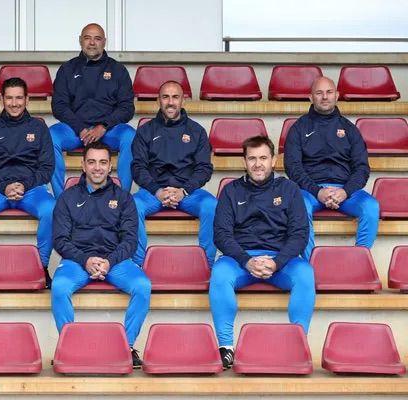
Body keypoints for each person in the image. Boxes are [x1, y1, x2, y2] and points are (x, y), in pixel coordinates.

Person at [209, 136, 315, 370]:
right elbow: (222, 234)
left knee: (306, 274)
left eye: (263, 158)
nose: (258, 164)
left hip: (280, 260)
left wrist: (277, 262)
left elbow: (299, 234)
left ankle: (298, 345)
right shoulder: (231, 191)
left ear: (274, 160)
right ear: (244, 162)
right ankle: (226, 347)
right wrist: (247, 261)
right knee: (219, 274)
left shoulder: (289, 189)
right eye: (252, 159)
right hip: (241, 259)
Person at [51, 141, 150, 368]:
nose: (97, 168)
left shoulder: (124, 198)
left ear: (111, 166)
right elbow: (60, 240)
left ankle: (127, 346)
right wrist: (85, 260)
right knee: (59, 286)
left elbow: (130, 240)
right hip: (78, 261)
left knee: (142, 286)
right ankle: (68, 347)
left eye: (103, 162)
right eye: (92, 162)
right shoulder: (67, 198)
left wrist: (109, 261)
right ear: (83, 165)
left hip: (114, 261)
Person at [0, 77, 55, 286]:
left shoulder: (39, 128)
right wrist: (4, 186)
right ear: (1, 100)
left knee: (51, 209)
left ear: (27, 100)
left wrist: (23, 185)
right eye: (9, 98)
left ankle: (41, 266)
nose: (14, 103)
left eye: (19, 98)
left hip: (32, 189)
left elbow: (46, 167)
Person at [284, 76, 379, 260]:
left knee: (371, 206)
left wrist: (345, 191)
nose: (324, 97)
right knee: (299, 205)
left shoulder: (350, 129)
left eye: (329, 92)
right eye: (319, 93)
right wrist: (317, 191)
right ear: (310, 97)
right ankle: (310, 263)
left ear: (337, 95)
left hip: (346, 191)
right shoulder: (298, 128)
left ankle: (360, 260)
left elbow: (362, 168)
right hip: (310, 191)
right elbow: (292, 167)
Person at [131, 80, 217, 267]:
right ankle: (137, 264)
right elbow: (138, 167)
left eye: (175, 97)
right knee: (133, 205)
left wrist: (183, 191)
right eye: (165, 97)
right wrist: (157, 190)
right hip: (153, 192)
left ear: (183, 100)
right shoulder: (145, 131)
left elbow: (204, 168)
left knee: (211, 205)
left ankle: (207, 265)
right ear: (158, 100)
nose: (170, 102)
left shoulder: (197, 131)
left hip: (188, 193)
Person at [50, 22, 135, 197]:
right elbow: (59, 106)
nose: (92, 43)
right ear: (80, 41)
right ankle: (61, 198)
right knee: (50, 136)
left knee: (130, 136)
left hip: (108, 131)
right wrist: (80, 127)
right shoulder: (67, 69)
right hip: (74, 131)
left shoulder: (118, 70)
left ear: (104, 42)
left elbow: (127, 107)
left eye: (97, 39)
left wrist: (103, 126)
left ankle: (122, 197)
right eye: (87, 38)